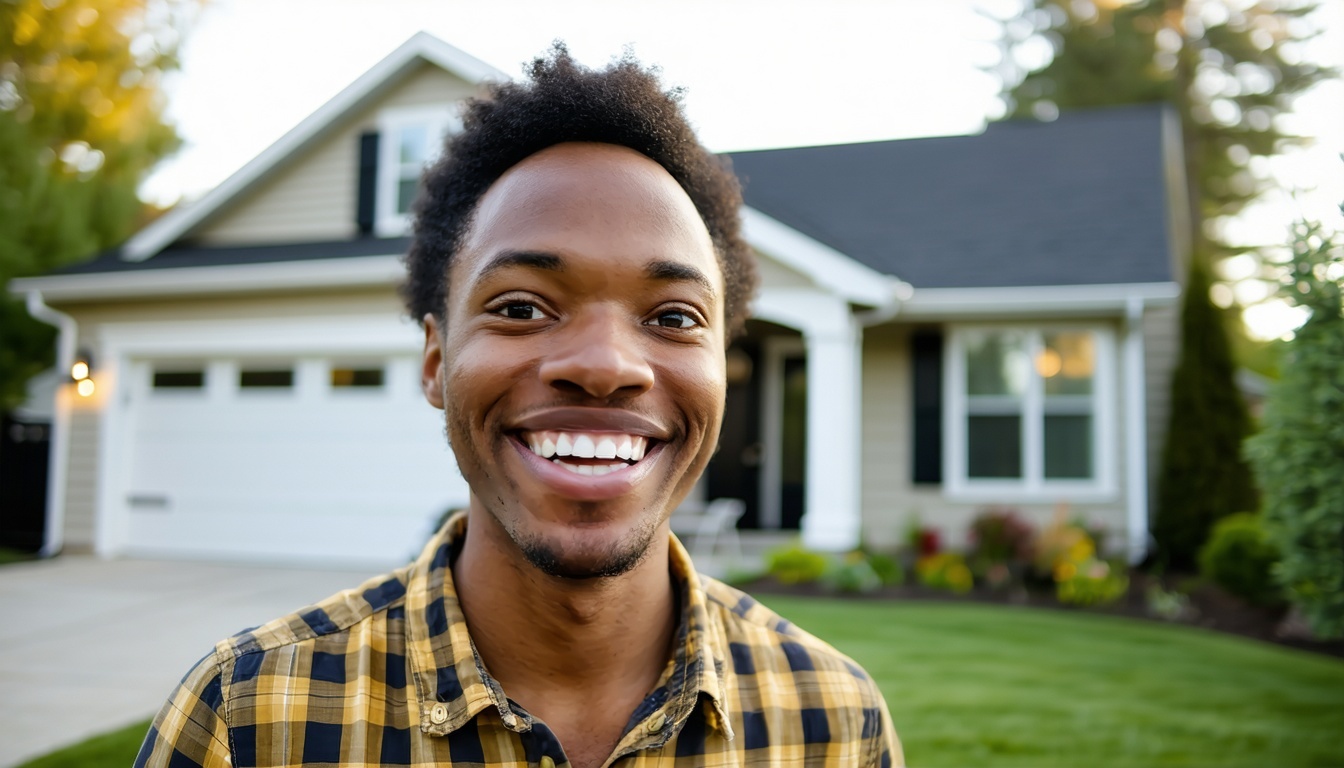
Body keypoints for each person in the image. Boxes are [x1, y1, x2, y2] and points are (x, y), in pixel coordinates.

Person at [135, 45, 901, 768]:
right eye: (523, 307)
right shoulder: (250, 717)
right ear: (436, 361)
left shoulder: (835, 722)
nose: (604, 366)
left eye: (672, 317)